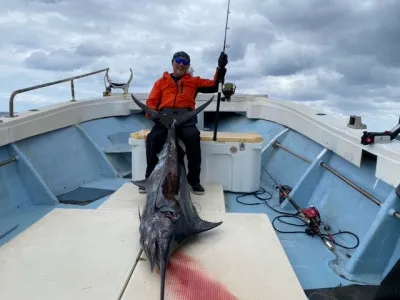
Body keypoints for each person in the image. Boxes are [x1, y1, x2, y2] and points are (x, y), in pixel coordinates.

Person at [141, 50, 228, 195]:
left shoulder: (193, 81)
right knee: (152, 139)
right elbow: (151, 103)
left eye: (185, 62)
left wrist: (221, 68)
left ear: (188, 66)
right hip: (164, 119)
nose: (181, 65)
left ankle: (193, 180)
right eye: (179, 61)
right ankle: (150, 178)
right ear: (172, 63)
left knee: (193, 138)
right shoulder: (161, 82)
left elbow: (214, 85)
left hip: (185, 119)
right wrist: (155, 116)